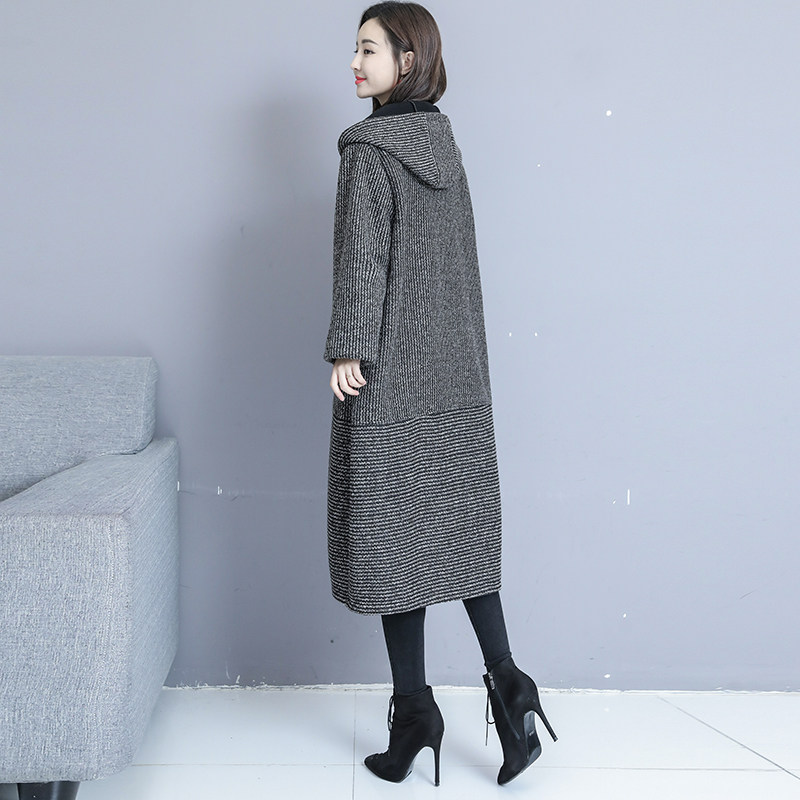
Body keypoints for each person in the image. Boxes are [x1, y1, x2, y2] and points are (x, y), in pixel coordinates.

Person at [323, 1, 557, 787]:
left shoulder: (368, 151)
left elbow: (364, 258)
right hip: (455, 374)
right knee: (456, 534)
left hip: (391, 371)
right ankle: (510, 686)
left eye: (368, 49)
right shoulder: (445, 147)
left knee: (397, 543)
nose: (354, 63)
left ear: (408, 60)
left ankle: (416, 712)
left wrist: (351, 346)